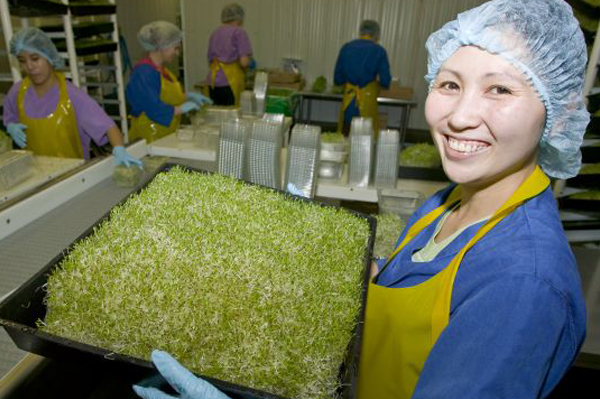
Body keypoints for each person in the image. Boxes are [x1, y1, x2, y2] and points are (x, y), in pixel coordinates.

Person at [134, 1, 589, 398]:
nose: (460, 117)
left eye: (500, 89)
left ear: (561, 111)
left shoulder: (523, 285)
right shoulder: (450, 200)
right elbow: (404, 284)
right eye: (450, 84)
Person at [3, 27, 141, 167]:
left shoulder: (71, 95)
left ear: (49, 56)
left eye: (35, 58)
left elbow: (108, 127)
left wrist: (119, 149)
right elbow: (9, 116)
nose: (29, 66)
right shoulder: (17, 92)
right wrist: (11, 126)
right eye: (22, 61)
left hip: (71, 175)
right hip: (35, 175)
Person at [126, 21, 211, 144]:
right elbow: (153, 107)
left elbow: (164, 96)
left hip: (165, 131)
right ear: (162, 46)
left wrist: (187, 96)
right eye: (175, 48)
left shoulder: (161, 69)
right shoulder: (144, 72)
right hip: (149, 135)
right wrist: (181, 109)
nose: (177, 53)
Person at [333, 19, 391, 136]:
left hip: (349, 101)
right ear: (376, 34)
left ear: (360, 32)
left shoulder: (346, 48)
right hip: (367, 102)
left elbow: (337, 79)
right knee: (365, 140)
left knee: (345, 136)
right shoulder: (379, 51)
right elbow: (385, 81)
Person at [206, 3, 253, 106]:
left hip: (212, 82)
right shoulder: (239, 33)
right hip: (229, 82)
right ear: (240, 18)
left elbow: (210, 58)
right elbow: (244, 62)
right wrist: (249, 65)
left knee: (216, 115)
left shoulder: (215, 33)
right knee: (230, 116)